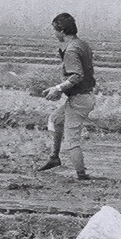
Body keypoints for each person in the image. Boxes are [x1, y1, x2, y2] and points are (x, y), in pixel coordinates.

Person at [38, 11, 96, 181]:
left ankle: (82, 176)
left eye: (55, 31)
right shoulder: (82, 44)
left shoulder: (71, 50)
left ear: (62, 31)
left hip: (80, 99)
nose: (55, 34)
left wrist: (58, 88)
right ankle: (54, 157)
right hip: (84, 96)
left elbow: (77, 75)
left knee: (72, 140)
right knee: (56, 119)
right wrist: (60, 89)